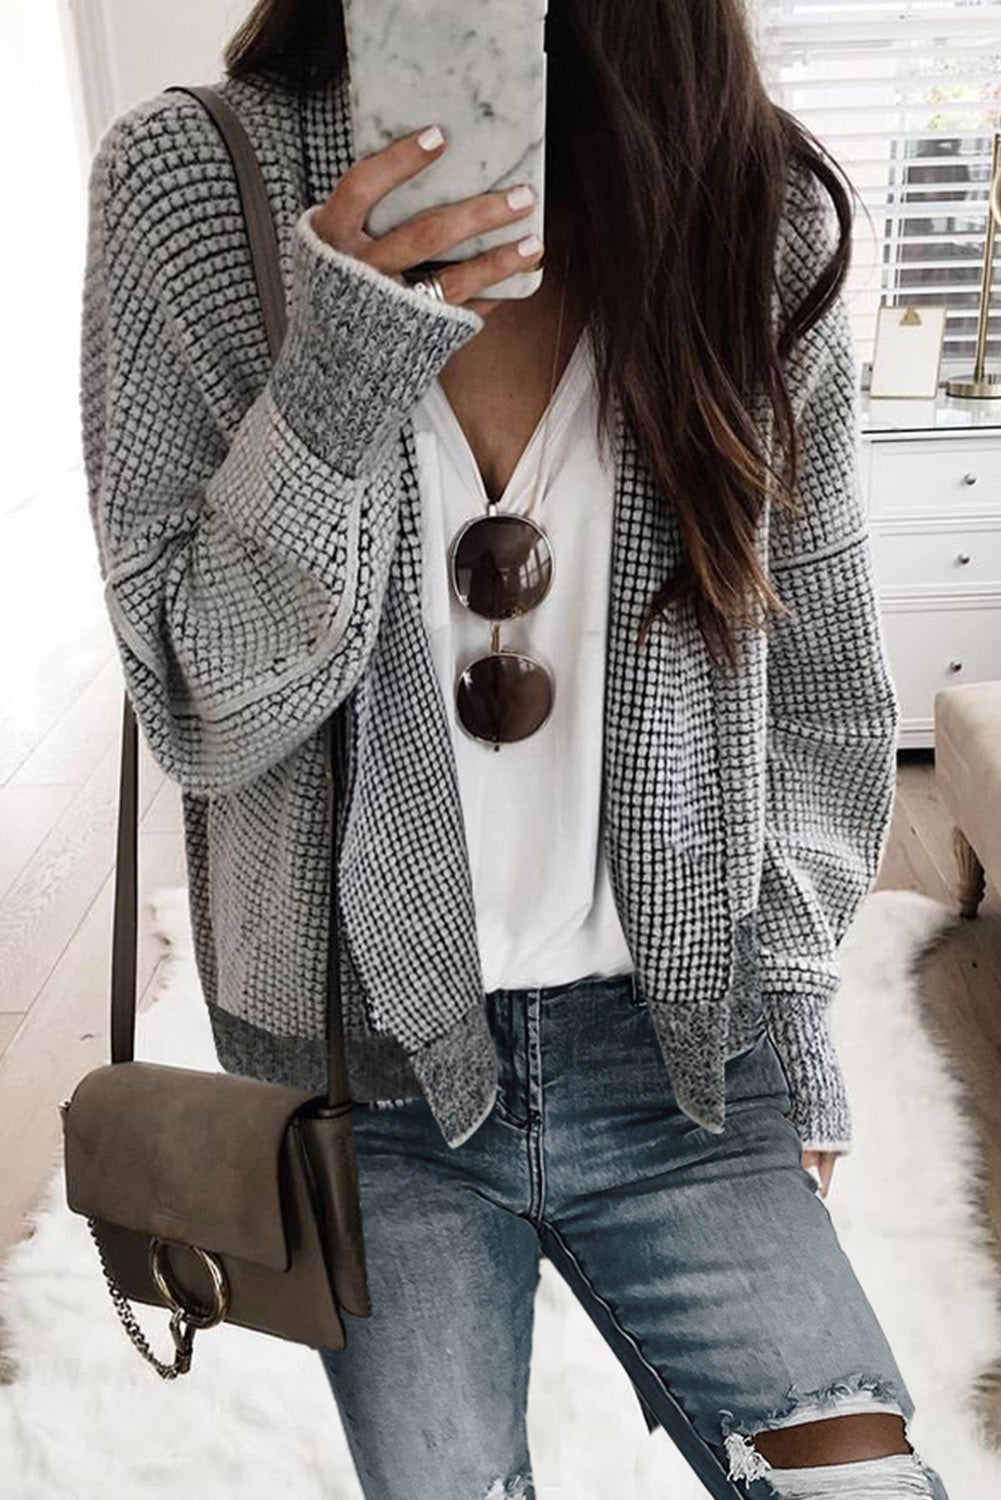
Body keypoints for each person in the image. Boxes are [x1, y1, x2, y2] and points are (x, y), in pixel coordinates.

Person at [79, 1, 950, 1496]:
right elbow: (199, 707)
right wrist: (339, 367)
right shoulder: (192, 182)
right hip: (365, 1078)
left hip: (684, 1054)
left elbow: (823, 693)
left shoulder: (748, 206)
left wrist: (795, 1017)